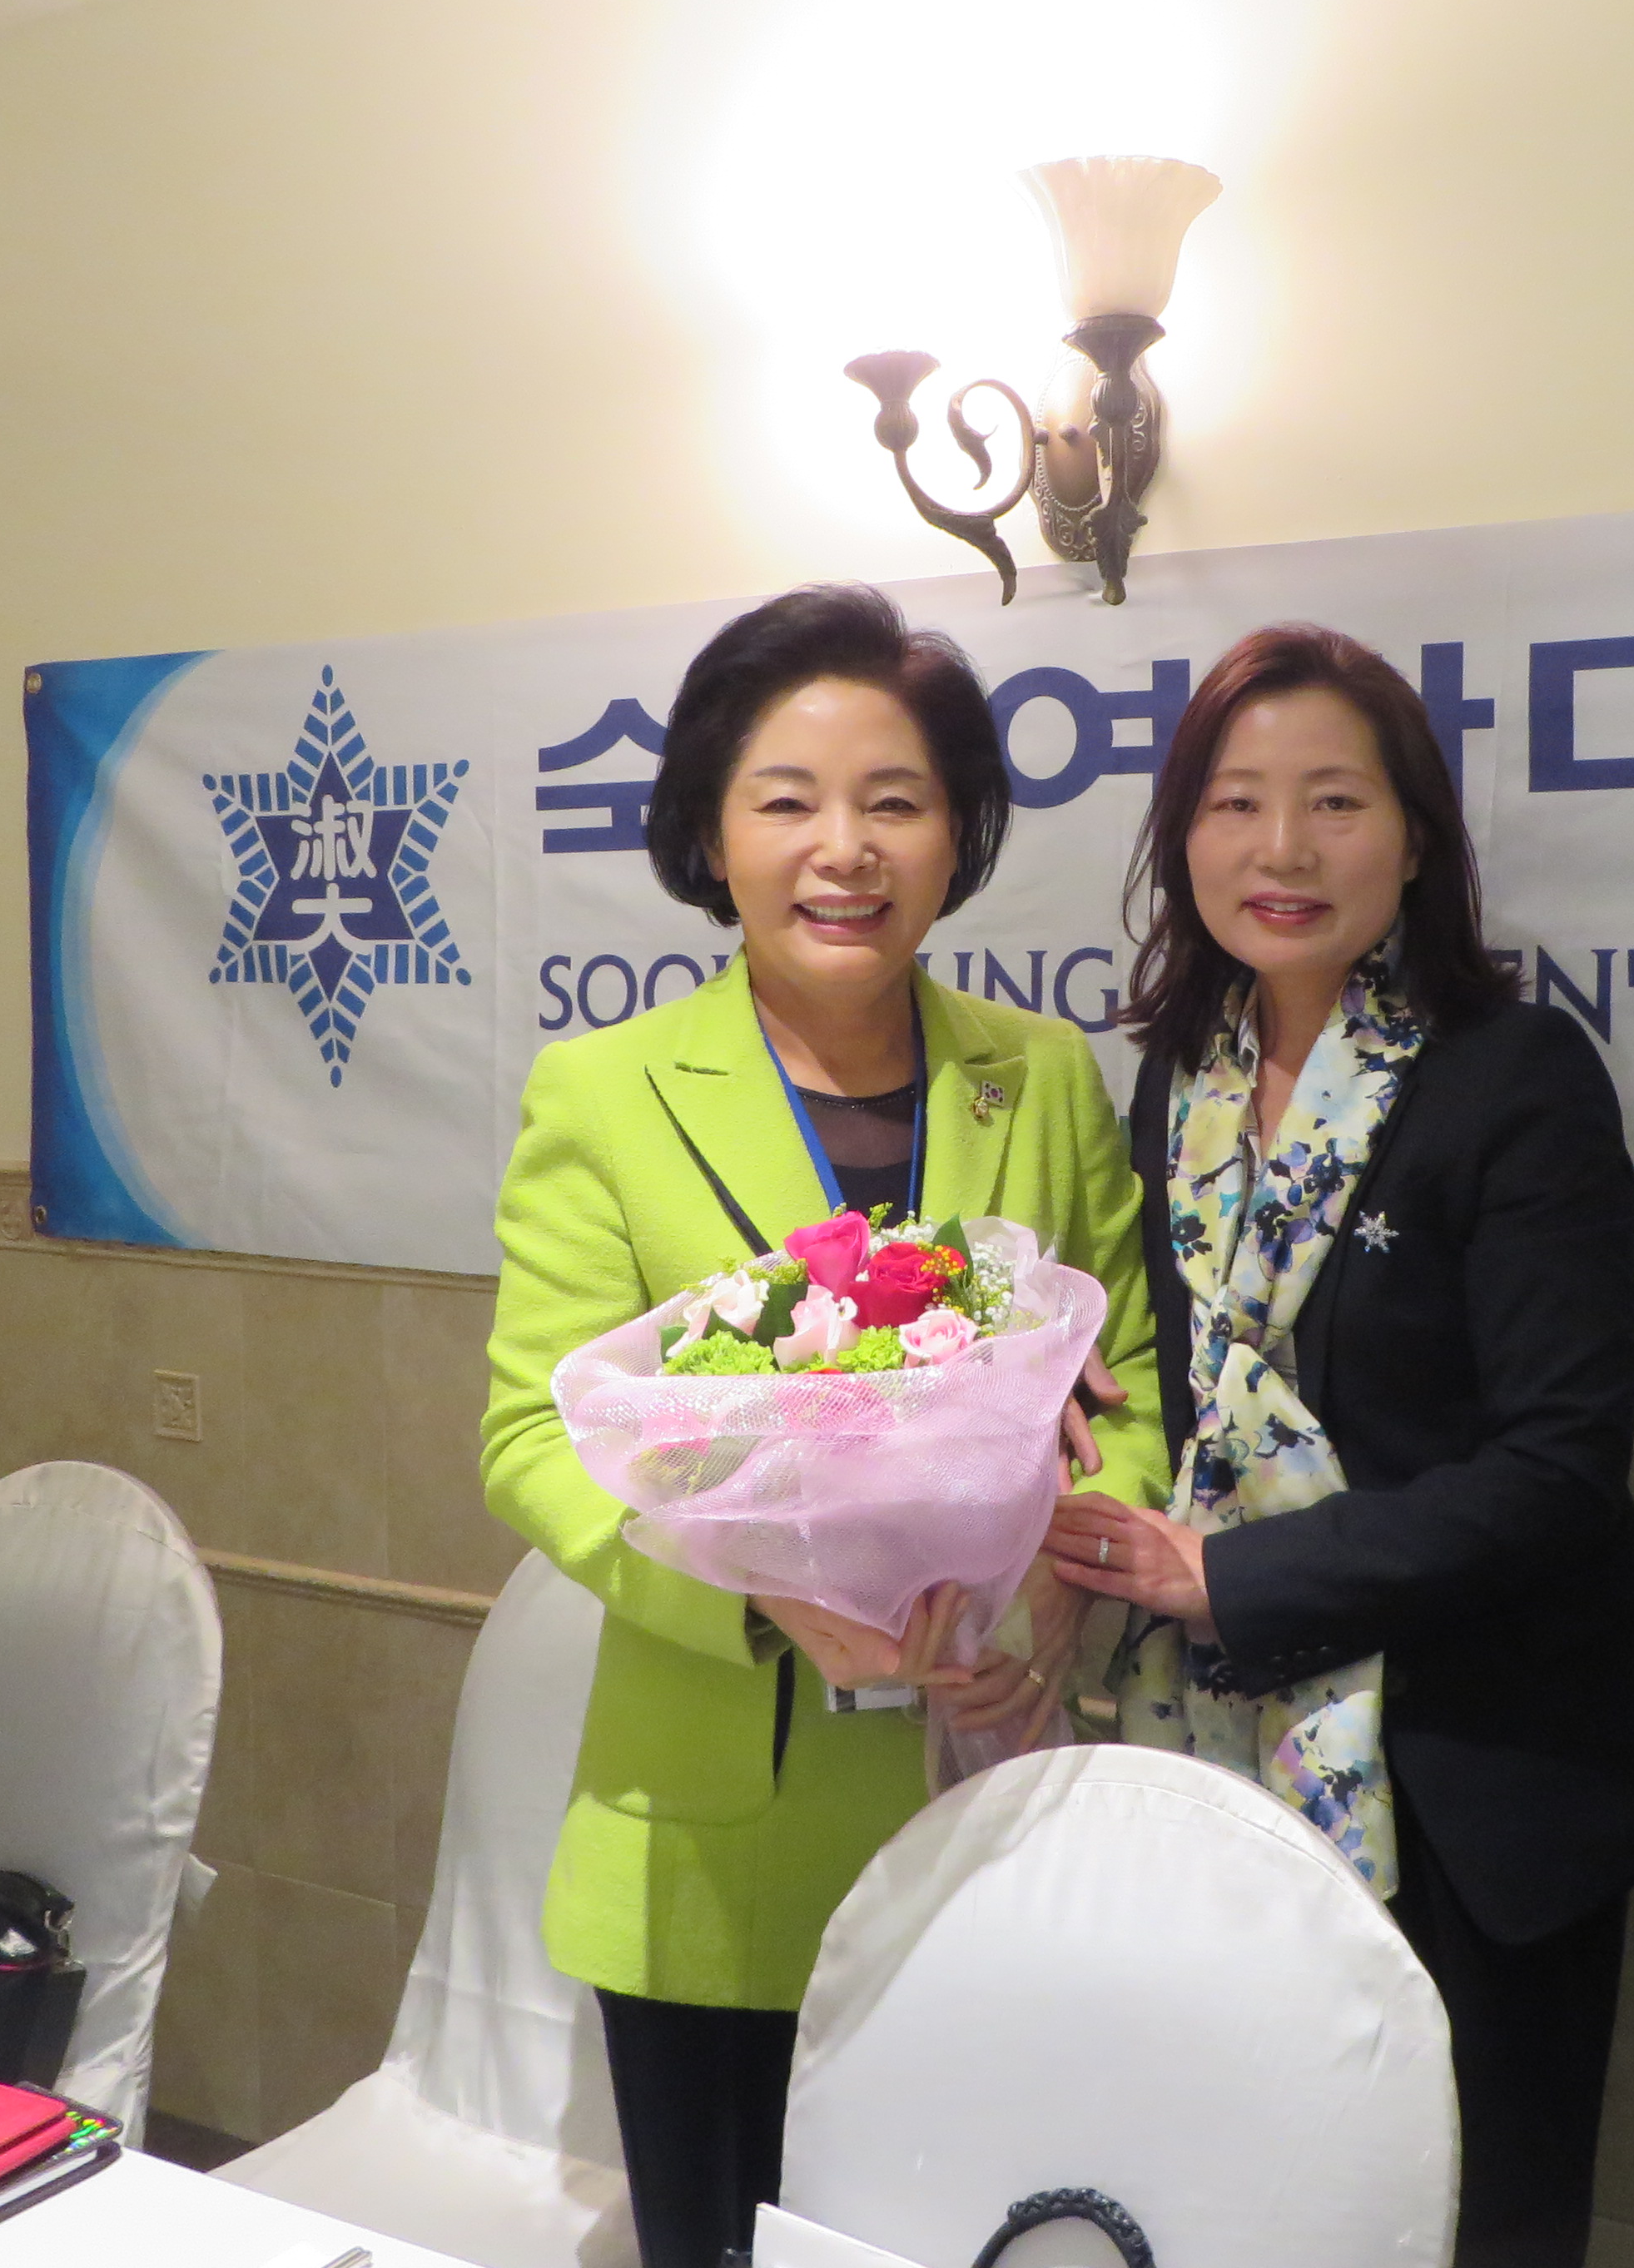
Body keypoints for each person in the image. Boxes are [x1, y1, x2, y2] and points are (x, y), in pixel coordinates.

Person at [479, 583, 1168, 2268]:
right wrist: (755, 1598)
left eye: (894, 802)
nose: (842, 850)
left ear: (956, 835)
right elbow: (533, 1438)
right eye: (787, 801)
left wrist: (1047, 1600)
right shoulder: (607, 1090)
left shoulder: (1041, 1078)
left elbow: (1129, 1391)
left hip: (984, 1797)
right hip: (721, 1833)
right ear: (712, 835)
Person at [1044, 624, 1634, 2268]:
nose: (1281, 850)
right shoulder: (1179, 1079)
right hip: (1225, 1750)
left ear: (1415, 839)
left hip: (1477, 1768)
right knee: (1247, 2198)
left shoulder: (1514, 1079)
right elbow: (1176, 1387)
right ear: (1182, 839)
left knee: (1459, 2222)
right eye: (1234, 804)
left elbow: (1561, 1468)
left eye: (1335, 803)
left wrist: (1234, 1579)